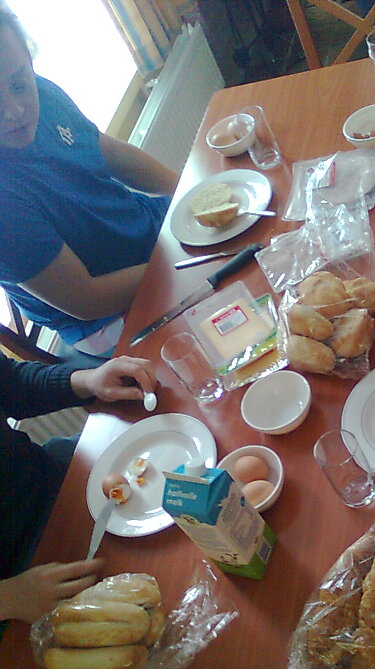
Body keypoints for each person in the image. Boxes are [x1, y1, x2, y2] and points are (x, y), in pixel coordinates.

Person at [0, 9, 179, 358]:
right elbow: (88, 300)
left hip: (146, 236)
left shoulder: (43, 92)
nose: (15, 111)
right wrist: (181, 260)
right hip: (109, 317)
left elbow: (110, 153)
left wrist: (189, 191)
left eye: (19, 84)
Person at [0, 351, 157, 623]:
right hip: (21, 575)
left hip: (48, 475)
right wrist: (9, 598)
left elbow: (10, 383)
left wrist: (88, 380)